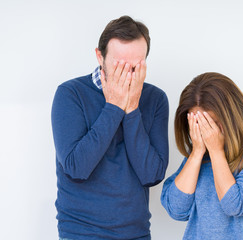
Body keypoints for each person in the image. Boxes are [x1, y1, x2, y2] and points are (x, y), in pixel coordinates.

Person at [51, 16, 169, 240]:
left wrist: (132, 109)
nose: (127, 74)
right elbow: (76, 167)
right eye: (119, 64)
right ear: (99, 56)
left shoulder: (156, 99)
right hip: (80, 232)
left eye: (135, 65)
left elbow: (151, 175)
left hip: (136, 232)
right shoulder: (70, 94)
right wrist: (114, 106)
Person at [161, 72, 243, 240]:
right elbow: (176, 209)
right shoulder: (199, 154)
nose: (206, 131)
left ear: (232, 116)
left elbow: (236, 204)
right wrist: (196, 154)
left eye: (211, 123)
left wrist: (217, 152)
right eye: (198, 124)